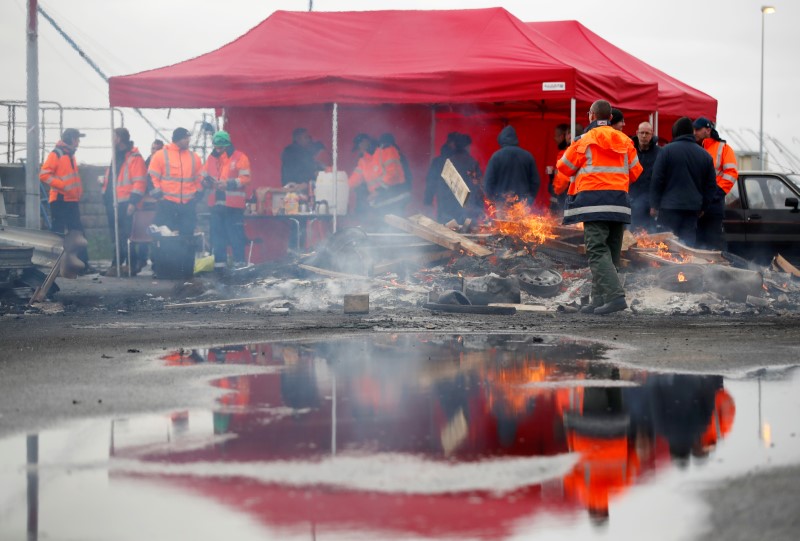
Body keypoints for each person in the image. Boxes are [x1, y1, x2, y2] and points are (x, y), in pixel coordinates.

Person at [555, 99, 642, 315]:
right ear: (611, 118)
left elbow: (563, 167)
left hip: (594, 204)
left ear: (591, 116)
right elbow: (636, 172)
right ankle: (598, 300)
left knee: (596, 250)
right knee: (610, 252)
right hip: (619, 204)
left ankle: (615, 297)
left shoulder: (584, 140)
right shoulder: (625, 141)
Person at [649, 117, 717, 247]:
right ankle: (687, 268)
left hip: (668, 208)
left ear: (676, 132)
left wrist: (654, 204)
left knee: (666, 245)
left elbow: (657, 179)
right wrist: (703, 207)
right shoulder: (705, 155)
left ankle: (665, 267)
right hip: (692, 209)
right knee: (687, 247)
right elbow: (711, 186)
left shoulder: (665, 151)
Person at [147, 127, 203, 275]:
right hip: (167, 204)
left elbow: (199, 178)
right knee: (164, 238)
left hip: (187, 205)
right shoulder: (160, 155)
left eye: (188, 138)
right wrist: (159, 197)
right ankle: (164, 270)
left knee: (188, 237)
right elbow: (152, 178)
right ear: (177, 139)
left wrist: (198, 194)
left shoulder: (194, 157)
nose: (188, 140)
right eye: (185, 138)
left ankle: (185, 271)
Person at [40, 127, 91, 272]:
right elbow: (44, 174)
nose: (78, 142)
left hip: (71, 200)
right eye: (77, 139)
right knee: (59, 234)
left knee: (78, 233)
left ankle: (82, 265)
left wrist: (76, 192)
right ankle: (54, 264)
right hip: (60, 200)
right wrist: (63, 186)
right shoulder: (57, 154)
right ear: (72, 139)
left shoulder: (70, 155)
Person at [202, 130, 252, 273]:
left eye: (220, 147)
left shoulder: (240, 157)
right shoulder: (212, 159)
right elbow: (203, 176)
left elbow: (246, 179)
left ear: (226, 145)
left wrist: (228, 183)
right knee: (217, 239)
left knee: (236, 237)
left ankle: (240, 268)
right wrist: (205, 182)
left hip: (233, 206)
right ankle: (220, 269)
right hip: (216, 206)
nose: (217, 150)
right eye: (216, 147)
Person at [101, 128, 147, 275]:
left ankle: (130, 265)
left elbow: (140, 182)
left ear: (119, 138)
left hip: (126, 203)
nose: (111, 139)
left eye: (113, 136)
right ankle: (118, 265)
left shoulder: (135, 157)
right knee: (117, 235)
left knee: (127, 236)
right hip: (113, 202)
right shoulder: (116, 156)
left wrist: (133, 203)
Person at [693, 116, 738, 250]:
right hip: (697, 203)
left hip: (713, 204)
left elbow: (731, 173)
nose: (694, 132)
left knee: (712, 243)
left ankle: (713, 270)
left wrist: (716, 194)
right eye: (693, 129)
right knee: (696, 245)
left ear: (708, 130)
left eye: (697, 129)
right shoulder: (694, 147)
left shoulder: (723, 148)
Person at [348, 133, 406, 226]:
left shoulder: (386, 150)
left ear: (365, 142)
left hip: (396, 195)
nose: (360, 150)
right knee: (382, 226)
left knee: (392, 227)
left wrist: (377, 192)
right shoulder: (363, 160)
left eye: (359, 147)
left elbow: (393, 174)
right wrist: (343, 189)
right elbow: (354, 179)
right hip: (382, 198)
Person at [483, 125, 540, 209]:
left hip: (502, 204)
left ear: (501, 140)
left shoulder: (496, 157)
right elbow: (535, 182)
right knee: (521, 222)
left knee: (502, 222)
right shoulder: (527, 156)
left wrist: (494, 200)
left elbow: (488, 182)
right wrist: (529, 200)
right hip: (522, 205)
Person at [629, 121, 661, 232]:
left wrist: (655, 204)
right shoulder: (630, 151)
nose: (644, 136)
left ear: (652, 134)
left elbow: (660, 180)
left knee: (648, 236)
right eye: (642, 133)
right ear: (637, 133)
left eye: (647, 133)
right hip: (631, 200)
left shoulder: (659, 153)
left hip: (649, 204)